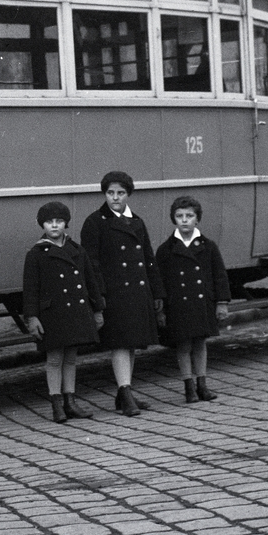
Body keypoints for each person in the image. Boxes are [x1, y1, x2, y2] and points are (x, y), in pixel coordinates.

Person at [79, 171, 164, 417]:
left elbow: (148, 259)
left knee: (132, 342)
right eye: (110, 193)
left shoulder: (137, 221)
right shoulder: (95, 222)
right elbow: (91, 264)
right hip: (113, 294)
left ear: (128, 194)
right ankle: (125, 394)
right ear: (104, 194)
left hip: (138, 292)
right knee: (120, 343)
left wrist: (157, 292)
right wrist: (98, 296)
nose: (115, 198)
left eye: (120, 193)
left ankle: (124, 393)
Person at [21, 201, 103, 423]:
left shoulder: (77, 250)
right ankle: (56, 404)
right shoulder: (36, 254)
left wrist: (97, 309)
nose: (55, 226)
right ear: (43, 225)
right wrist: (32, 317)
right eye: (49, 222)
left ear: (66, 223)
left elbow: (90, 281)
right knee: (55, 359)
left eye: (59, 221)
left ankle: (70, 402)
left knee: (71, 358)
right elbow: (30, 290)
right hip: (52, 315)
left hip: (75, 312)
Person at [154, 195, 231, 403]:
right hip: (178, 305)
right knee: (183, 344)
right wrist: (160, 308)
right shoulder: (165, 250)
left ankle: (202, 385)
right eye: (179, 216)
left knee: (200, 343)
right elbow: (158, 279)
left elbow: (219, 275)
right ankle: (188, 386)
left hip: (202, 303)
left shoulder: (208, 246)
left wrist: (222, 303)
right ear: (173, 219)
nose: (184, 220)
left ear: (197, 219)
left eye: (189, 216)